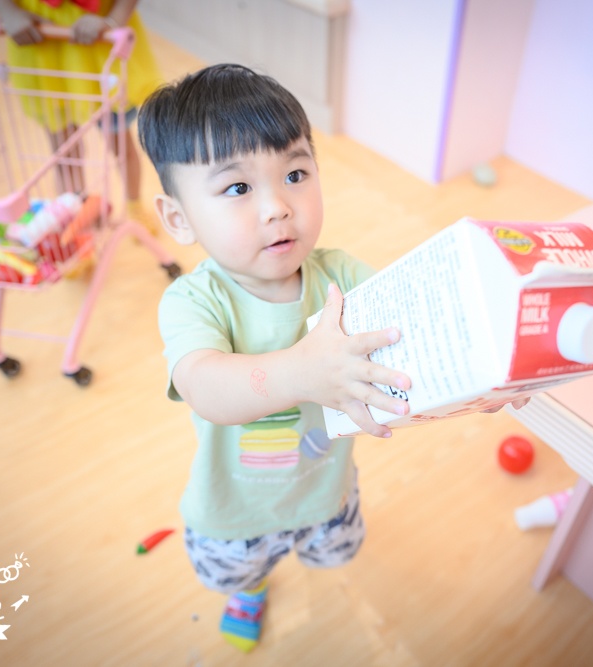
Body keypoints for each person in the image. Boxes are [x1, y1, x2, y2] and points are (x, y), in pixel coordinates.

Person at [138, 64, 524, 652]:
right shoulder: (193, 300)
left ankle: (304, 550)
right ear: (179, 218)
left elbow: (413, 337)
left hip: (326, 488)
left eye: (295, 173)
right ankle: (252, 589)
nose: (277, 207)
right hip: (234, 508)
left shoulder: (341, 277)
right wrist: (303, 371)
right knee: (239, 573)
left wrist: (487, 373)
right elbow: (204, 388)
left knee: (333, 553)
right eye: (238, 188)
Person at [0, 0, 162, 233]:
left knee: (120, 144)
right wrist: (8, 11)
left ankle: (134, 205)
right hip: (42, 42)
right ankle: (73, 217)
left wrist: (112, 20)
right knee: (64, 151)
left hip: (99, 42)